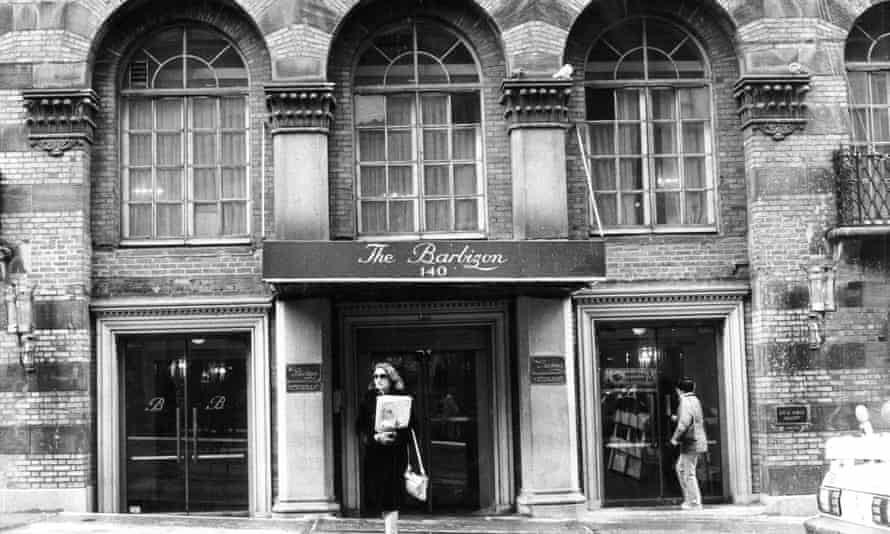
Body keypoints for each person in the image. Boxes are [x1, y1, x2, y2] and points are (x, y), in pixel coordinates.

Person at [356, 362, 412, 534]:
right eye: (375, 376)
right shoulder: (368, 398)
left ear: (391, 378)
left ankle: (391, 531)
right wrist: (375, 437)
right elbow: (359, 427)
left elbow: (412, 427)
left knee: (391, 496)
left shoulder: (402, 398)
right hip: (376, 455)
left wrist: (398, 434)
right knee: (381, 496)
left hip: (395, 455)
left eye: (382, 376)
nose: (378, 380)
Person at [669, 376, 708, 511]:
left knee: (688, 472)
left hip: (690, 442)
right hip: (697, 439)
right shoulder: (695, 400)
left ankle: (694, 502)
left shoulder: (685, 401)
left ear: (679, 390)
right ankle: (690, 499)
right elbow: (692, 419)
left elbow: (684, 424)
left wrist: (674, 438)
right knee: (681, 468)